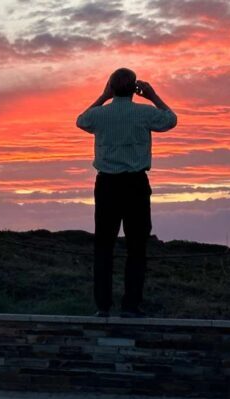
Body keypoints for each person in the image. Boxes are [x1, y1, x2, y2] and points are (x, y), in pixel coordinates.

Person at [76, 68, 177, 318]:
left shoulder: (100, 115)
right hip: (135, 185)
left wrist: (102, 96)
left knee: (104, 246)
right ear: (134, 89)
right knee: (137, 247)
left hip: (107, 185)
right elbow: (170, 119)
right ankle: (131, 306)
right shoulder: (144, 113)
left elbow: (82, 120)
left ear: (111, 87)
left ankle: (103, 306)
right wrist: (153, 95)